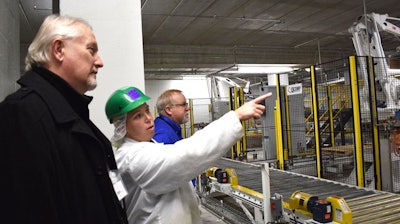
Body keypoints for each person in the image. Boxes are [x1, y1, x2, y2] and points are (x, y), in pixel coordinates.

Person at [0, 15, 127, 224]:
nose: (100, 62)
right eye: (91, 50)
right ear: (58, 49)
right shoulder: (21, 115)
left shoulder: (71, 112)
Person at [105, 86, 272, 224]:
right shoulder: (133, 159)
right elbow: (184, 156)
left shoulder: (149, 144)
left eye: (147, 111)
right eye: (138, 116)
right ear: (122, 126)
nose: (149, 118)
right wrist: (235, 117)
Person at [153, 89, 197, 186]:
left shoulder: (171, 128)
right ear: (169, 110)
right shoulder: (162, 136)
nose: (188, 108)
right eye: (183, 105)